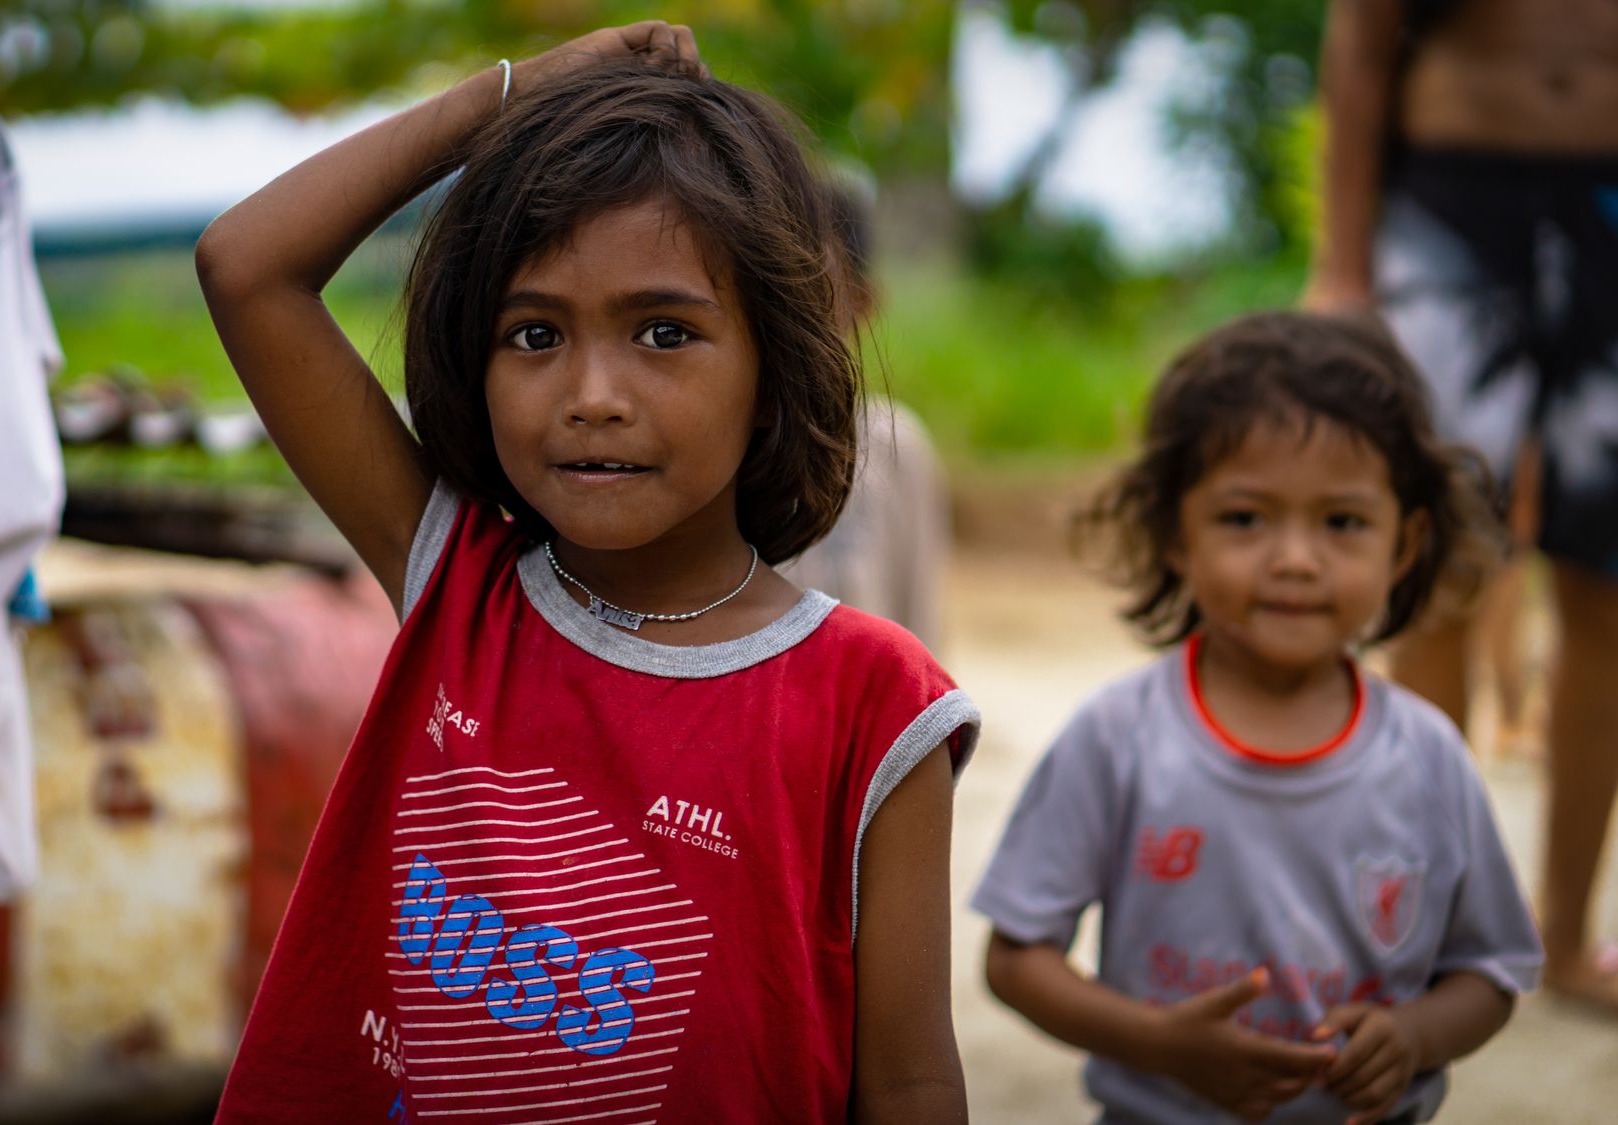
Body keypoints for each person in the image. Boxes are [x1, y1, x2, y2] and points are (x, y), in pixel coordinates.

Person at [194, 23, 979, 1122]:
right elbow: (247, 266)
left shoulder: (873, 703)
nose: (592, 393)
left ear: (776, 363)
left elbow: (906, 1080)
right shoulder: (456, 587)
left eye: (662, 333)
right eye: (532, 335)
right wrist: (512, 99)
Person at [972, 312, 1541, 1124]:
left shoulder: (1428, 755)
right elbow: (1017, 957)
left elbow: (1489, 972)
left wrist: (1413, 1036)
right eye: (1245, 518)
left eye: (1342, 522)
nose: (1295, 559)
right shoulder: (1120, 736)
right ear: (1176, 532)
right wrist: (1155, 1040)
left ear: (1405, 543)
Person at [1306, 0, 1618, 1007]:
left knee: (1605, 589)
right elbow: (1357, 50)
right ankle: (1432, 929)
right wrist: (1341, 267)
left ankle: (1565, 939)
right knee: (1436, 569)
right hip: (1447, 207)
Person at [781, 178, 953, 653]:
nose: (790, 315)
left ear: (863, 302)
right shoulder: (714, 443)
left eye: (812, 284)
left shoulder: (895, 444)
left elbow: (919, 625)